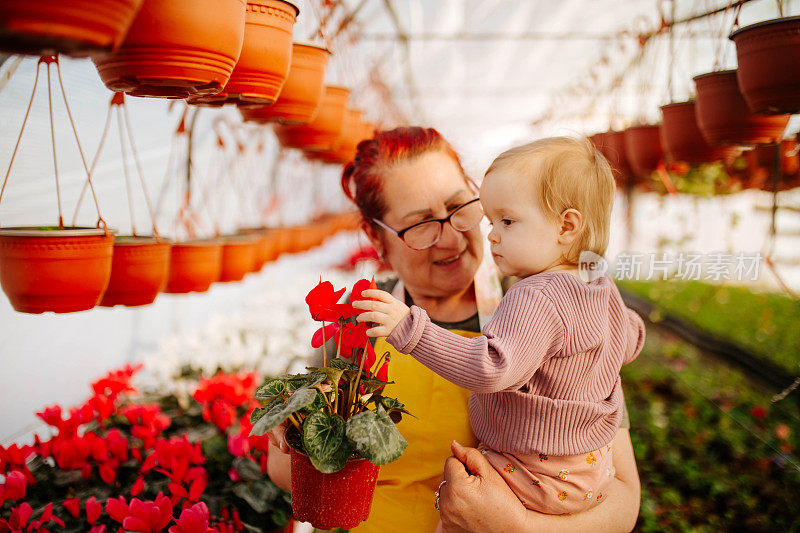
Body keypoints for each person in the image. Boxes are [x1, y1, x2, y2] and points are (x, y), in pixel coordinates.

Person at [266, 128, 641, 532]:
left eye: (459, 207)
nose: (451, 238)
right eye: (421, 224)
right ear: (378, 239)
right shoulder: (364, 320)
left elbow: (622, 498)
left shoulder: (548, 311)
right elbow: (285, 469)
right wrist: (299, 434)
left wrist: (517, 526)